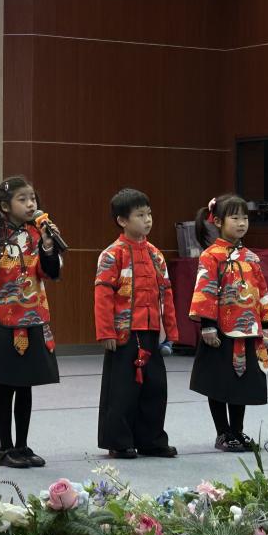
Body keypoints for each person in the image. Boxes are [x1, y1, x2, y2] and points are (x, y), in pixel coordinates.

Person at [0, 176, 63, 469]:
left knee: (26, 385)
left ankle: (23, 445)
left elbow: (50, 273)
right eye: (23, 199)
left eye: (33, 198)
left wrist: (48, 246)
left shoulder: (37, 234)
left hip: (33, 318)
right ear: (5, 206)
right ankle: (5, 448)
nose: (31, 204)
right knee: (7, 386)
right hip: (2, 321)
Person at [94, 188, 178, 459]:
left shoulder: (156, 255)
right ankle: (119, 441)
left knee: (155, 388)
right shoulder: (112, 254)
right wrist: (106, 331)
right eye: (140, 215)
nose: (147, 220)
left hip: (152, 331)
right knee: (122, 390)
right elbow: (103, 296)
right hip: (123, 333)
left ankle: (151, 440)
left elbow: (166, 293)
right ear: (122, 220)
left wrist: (171, 330)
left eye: (149, 214)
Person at [188, 193, 268, 452]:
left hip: (248, 330)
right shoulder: (211, 256)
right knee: (218, 382)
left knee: (241, 383)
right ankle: (223, 432)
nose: (241, 223)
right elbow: (205, 290)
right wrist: (207, 325)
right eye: (235, 218)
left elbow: (262, 292)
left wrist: (265, 326)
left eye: (245, 218)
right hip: (220, 331)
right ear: (217, 221)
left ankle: (237, 430)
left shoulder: (251, 258)